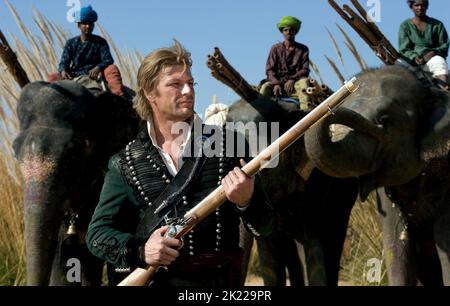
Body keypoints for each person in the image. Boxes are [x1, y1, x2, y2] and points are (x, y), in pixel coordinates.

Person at [86, 41, 274, 286]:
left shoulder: (230, 143)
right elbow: (97, 236)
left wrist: (247, 202)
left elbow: (266, 226)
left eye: (190, 83)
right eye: (176, 84)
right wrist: (141, 251)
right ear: (149, 93)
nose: (188, 91)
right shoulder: (125, 163)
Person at [50, 5, 125, 96]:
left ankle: (120, 97)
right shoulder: (71, 43)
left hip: (95, 74)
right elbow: (63, 62)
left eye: (90, 23)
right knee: (53, 77)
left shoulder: (100, 42)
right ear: (79, 25)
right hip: (75, 74)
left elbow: (108, 59)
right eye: (84, 23)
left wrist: (98, 68)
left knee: (112, 69)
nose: (88, 26)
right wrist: (63, 70)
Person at [399, 0, 450, 90]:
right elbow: (404, 49)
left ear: (427, 6)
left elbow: (444, 45)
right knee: (396, 71)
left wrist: (433, 53)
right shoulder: (405, 25)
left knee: (440, 63)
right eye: (416, 5)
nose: (420, 8)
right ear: (411, 7)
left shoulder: (437, 25)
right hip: (411, 61)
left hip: (432, 59)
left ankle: (444, 92)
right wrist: (414, 57)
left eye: (423, 5)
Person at [260, 16, 311, 104]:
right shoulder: (275, 48)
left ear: (295, 32)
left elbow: (305, 70)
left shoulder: (303, 49)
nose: (288, 32)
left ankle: (305, 110)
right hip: (277, 81)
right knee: (265, 88)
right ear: (282, 32)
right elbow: (269, 70)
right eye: (286, 30)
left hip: (296, 82)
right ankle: (260, 111)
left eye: (291, 30)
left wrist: (292, 79)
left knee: (304, 83)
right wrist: (276, 83)